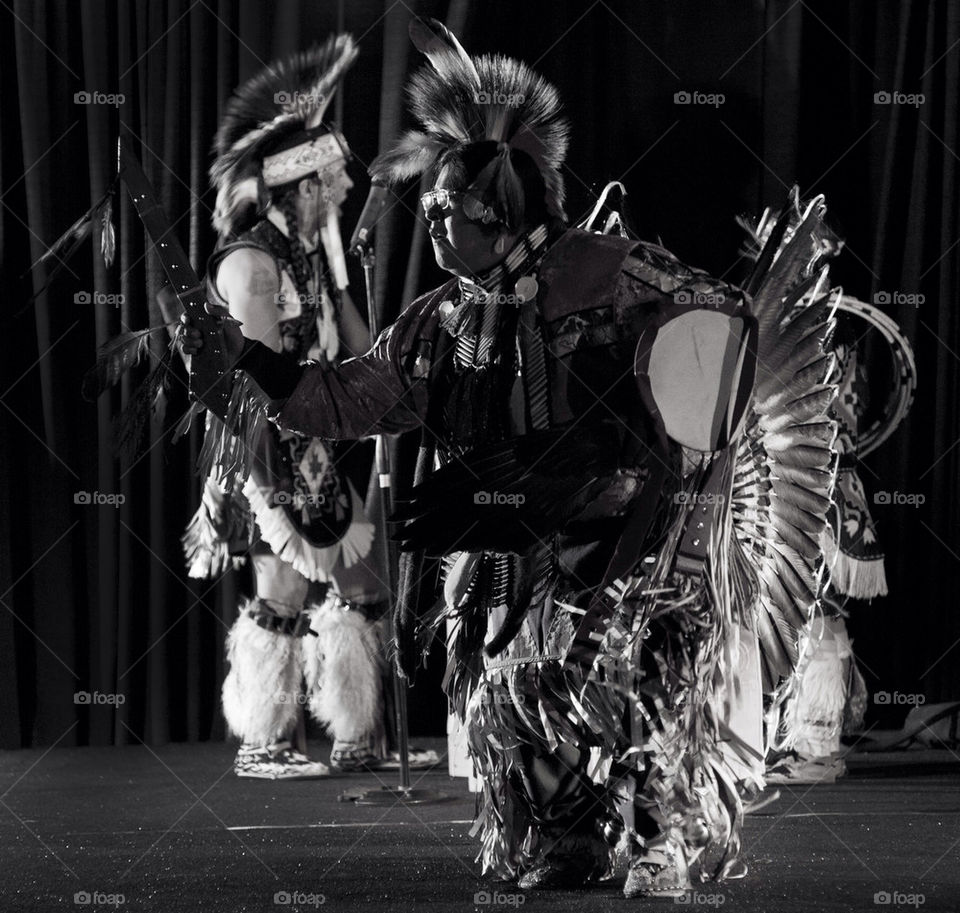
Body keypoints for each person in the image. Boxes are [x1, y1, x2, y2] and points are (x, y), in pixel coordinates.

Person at [180, 20, 839, 896]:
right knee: (509, 698)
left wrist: (596, 463)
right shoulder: (441, 320)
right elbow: (340, 400)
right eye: (435, 209)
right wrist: (249, 361)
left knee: (614, 680)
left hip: (642, 538)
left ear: (505, 209)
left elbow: (720, 340)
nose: (436, 221)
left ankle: (667, 832)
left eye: (452, 208)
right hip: (519, 545)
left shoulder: (613, 274)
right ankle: (568, 836)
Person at [182, 36, 394, 779]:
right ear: (298, 187)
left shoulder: (312, 259)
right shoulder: (251, 262)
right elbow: (263, 376)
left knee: (360, 582)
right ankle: (264, 738)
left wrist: (355, 304)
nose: (339, 192)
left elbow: (362, 352)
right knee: (285, 584)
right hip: (273, 447)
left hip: (323, 442)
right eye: (330, 181)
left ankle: (353, 733)